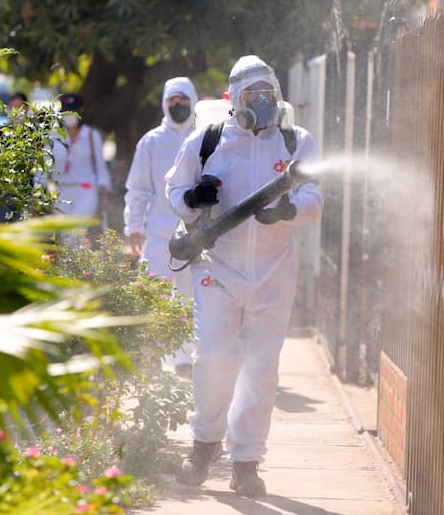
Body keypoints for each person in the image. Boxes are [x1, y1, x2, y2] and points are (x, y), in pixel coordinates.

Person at [166, 56, 323, 497]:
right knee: (213, 357)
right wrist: (192, 198)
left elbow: (314, 199)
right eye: (251, 95)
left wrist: (290, 210)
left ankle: (246, 462)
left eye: (266, 94)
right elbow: (174, 190)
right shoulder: (207, 140)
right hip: (217, 266)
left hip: (274, 272)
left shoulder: (295, 141)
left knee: (261, 368)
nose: (260, 102)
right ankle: (203, 446)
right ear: (234, 98)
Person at [124, 77, 198, 368]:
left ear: (193, 101)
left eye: (183, 100)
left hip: (195, 234)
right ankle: (152, 357)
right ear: (164, 103)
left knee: (190, 295)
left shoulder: (203, 136)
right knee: (153, 293)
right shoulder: (151, 141)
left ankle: (185, 359)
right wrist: (134, 227)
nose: (178, 105)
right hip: (158, 234)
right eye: (172, 100)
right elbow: (139, 188)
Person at [49, 93, 113, 238]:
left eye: (72, 111)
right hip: (61, 191)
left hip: (86, 190)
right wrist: (38, 186)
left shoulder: (91, 135)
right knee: (64, 236)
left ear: (80, 111)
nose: (69, 115)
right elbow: (45, 165)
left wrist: (104, 191)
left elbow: (100, 166)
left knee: (76, 233)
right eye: (66, 111)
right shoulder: (54, 136)